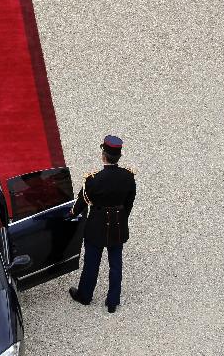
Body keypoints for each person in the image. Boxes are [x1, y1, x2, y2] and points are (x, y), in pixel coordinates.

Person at [68, 135, 136, 314]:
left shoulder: (93, 180)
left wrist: (72, 213)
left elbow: (80, 203)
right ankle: (112, 301)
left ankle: (85, 295)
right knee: (115, 263)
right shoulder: (128, 177)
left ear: (103, 155)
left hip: (96, 226)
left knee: (92, 263)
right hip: (118, 225)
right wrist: (121, 218)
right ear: (119, 157)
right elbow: (129, 202)